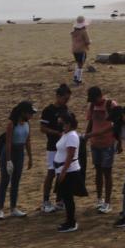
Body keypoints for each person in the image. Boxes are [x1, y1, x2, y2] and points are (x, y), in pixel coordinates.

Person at [0, 101, 36, 220]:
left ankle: (13, 208)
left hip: (20, 153)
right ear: (23, 112)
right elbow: (8, 143)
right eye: (30, 113)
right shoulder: (12, 124)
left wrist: (30, 157)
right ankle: (0, 210)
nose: (31, 115)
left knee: (16, 181)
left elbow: (27, 141)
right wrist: (8, 160)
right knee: (5, 180)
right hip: (9, 152)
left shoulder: (27, 124)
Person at [84, 86, 117, 214]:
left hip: (108, 143)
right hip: (95, 144)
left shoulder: (111, 105)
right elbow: (90, 123)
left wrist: (118, 142)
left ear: (100, 96)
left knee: (107, 172)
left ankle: (107, 202)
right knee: (98, 171)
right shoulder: (92, 106)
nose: (93, 102)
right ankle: (99, 199)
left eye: (94, 99)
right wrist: (86, 137)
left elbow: (115, 125)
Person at [40, 83, 72, 213]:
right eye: (65, 98)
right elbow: (42, 129)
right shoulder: (48, 110)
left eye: (68, 99)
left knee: (62, 173)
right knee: (51, 172)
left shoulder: (65, 109)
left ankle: (60, 200)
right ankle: (46, 201)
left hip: (63, 146)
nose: (66, 101)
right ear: (58, 96)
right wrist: (57, 133)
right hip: (53, 147)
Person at [55, 111, 87, 232]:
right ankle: (69, 221)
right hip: (63, 170)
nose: (60, 124)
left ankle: (71, 223)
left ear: (68, 123)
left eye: (61, 122)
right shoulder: (65, 134)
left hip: (69, 171)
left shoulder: (72, 136)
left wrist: (63, 172)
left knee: (68, 197)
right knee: (66, 196)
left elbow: (70, 155)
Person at [70, 16, 90, 85]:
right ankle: (78, 79)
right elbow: (87, 41)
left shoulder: (73, 31)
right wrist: (89, 43)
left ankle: (76, 76)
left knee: (78, 63)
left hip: (74, 50)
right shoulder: (84, 31)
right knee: (81, 64)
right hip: (81, 50)